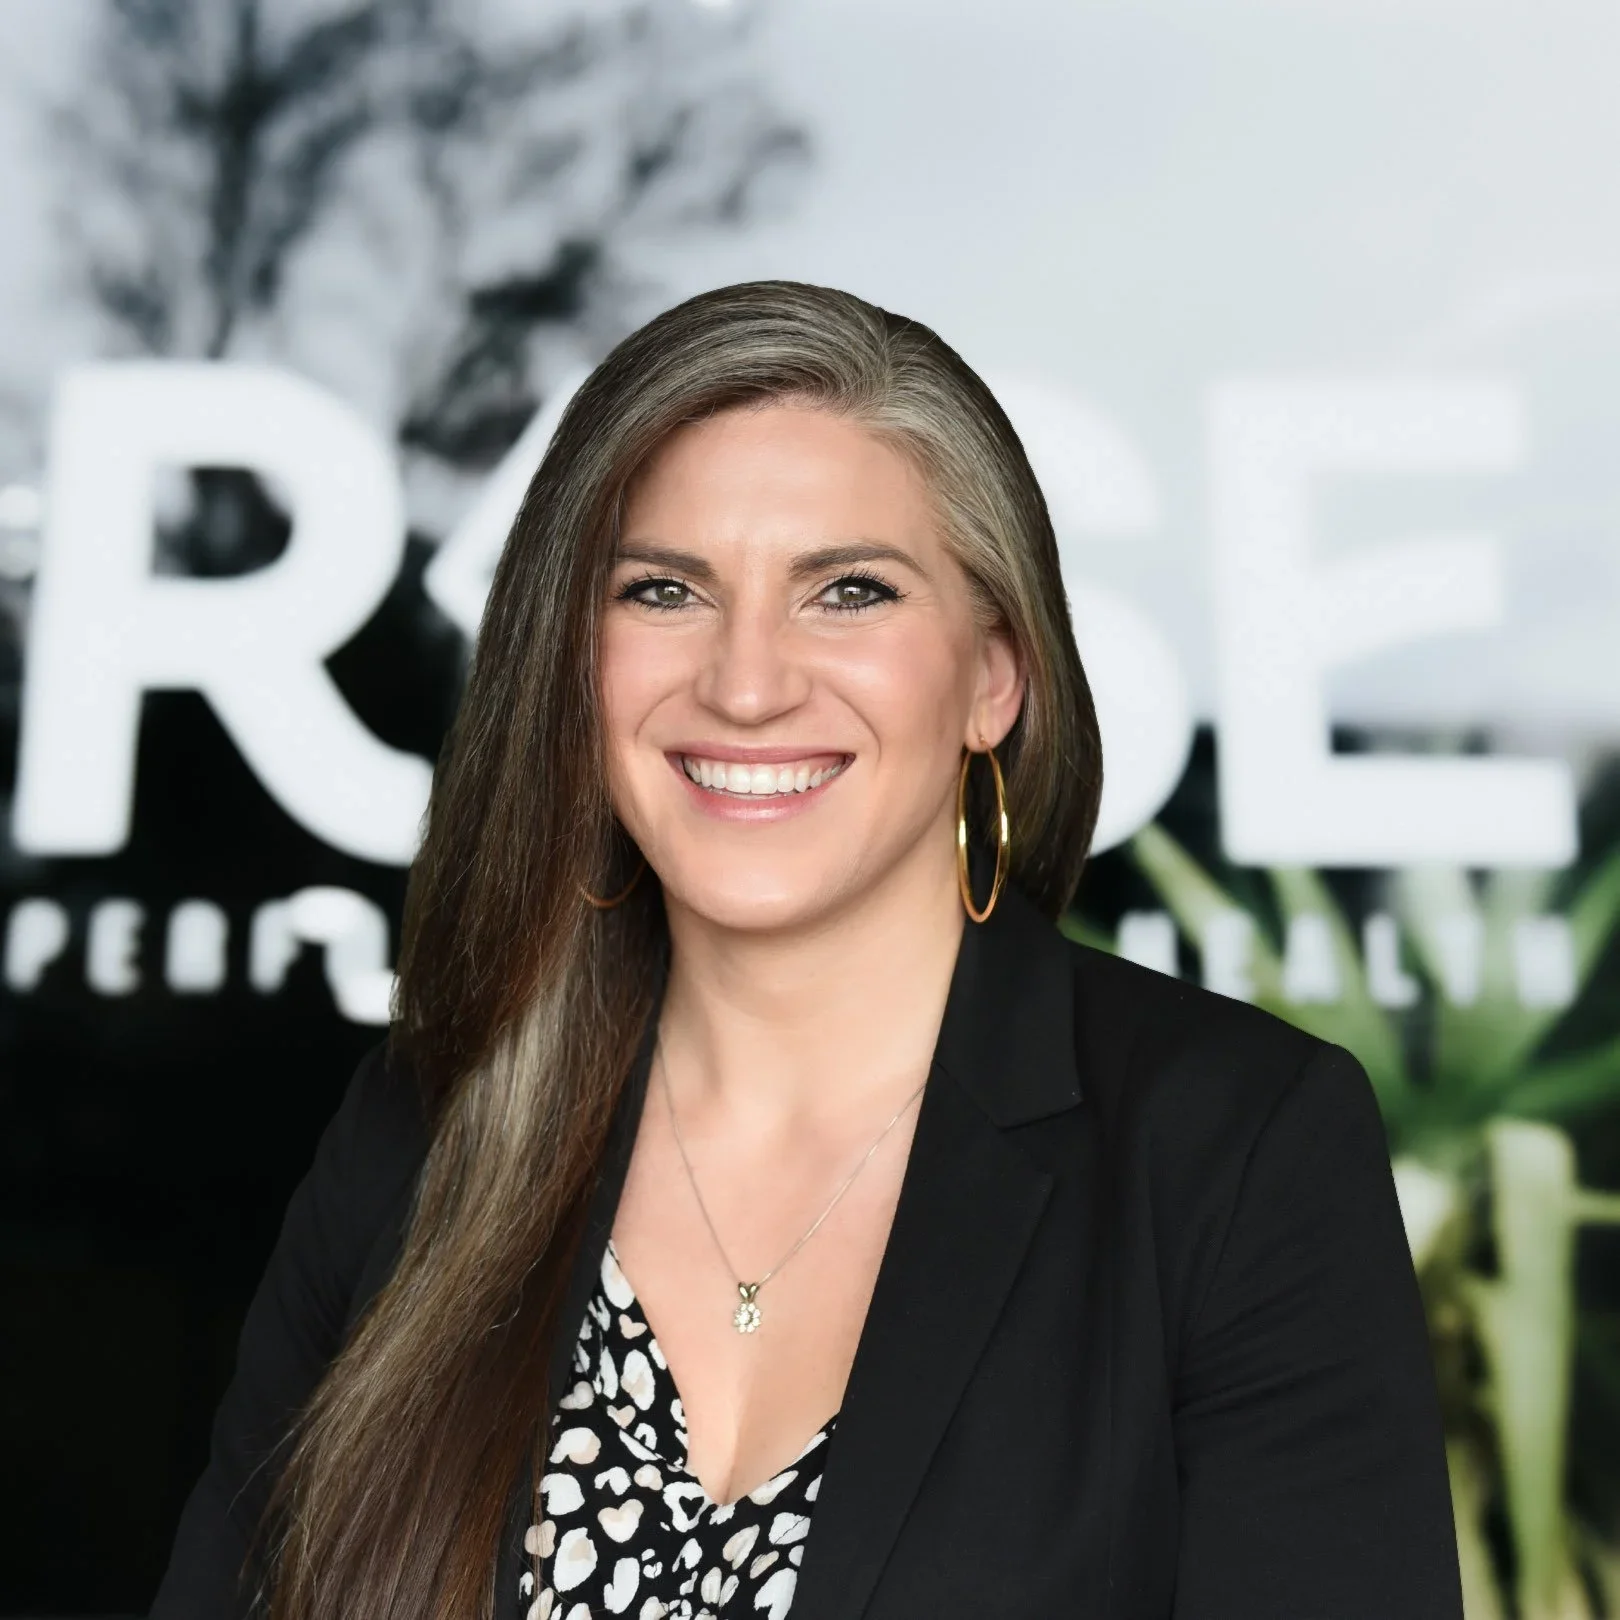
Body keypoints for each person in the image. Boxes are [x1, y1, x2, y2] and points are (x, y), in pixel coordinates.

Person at [151, 280, 1462, 1620]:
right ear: (571, 663)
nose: (747, 683)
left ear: (993, 677)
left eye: (848, 591)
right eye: (665, 590)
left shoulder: (1231, 1153)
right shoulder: (423, 1132)